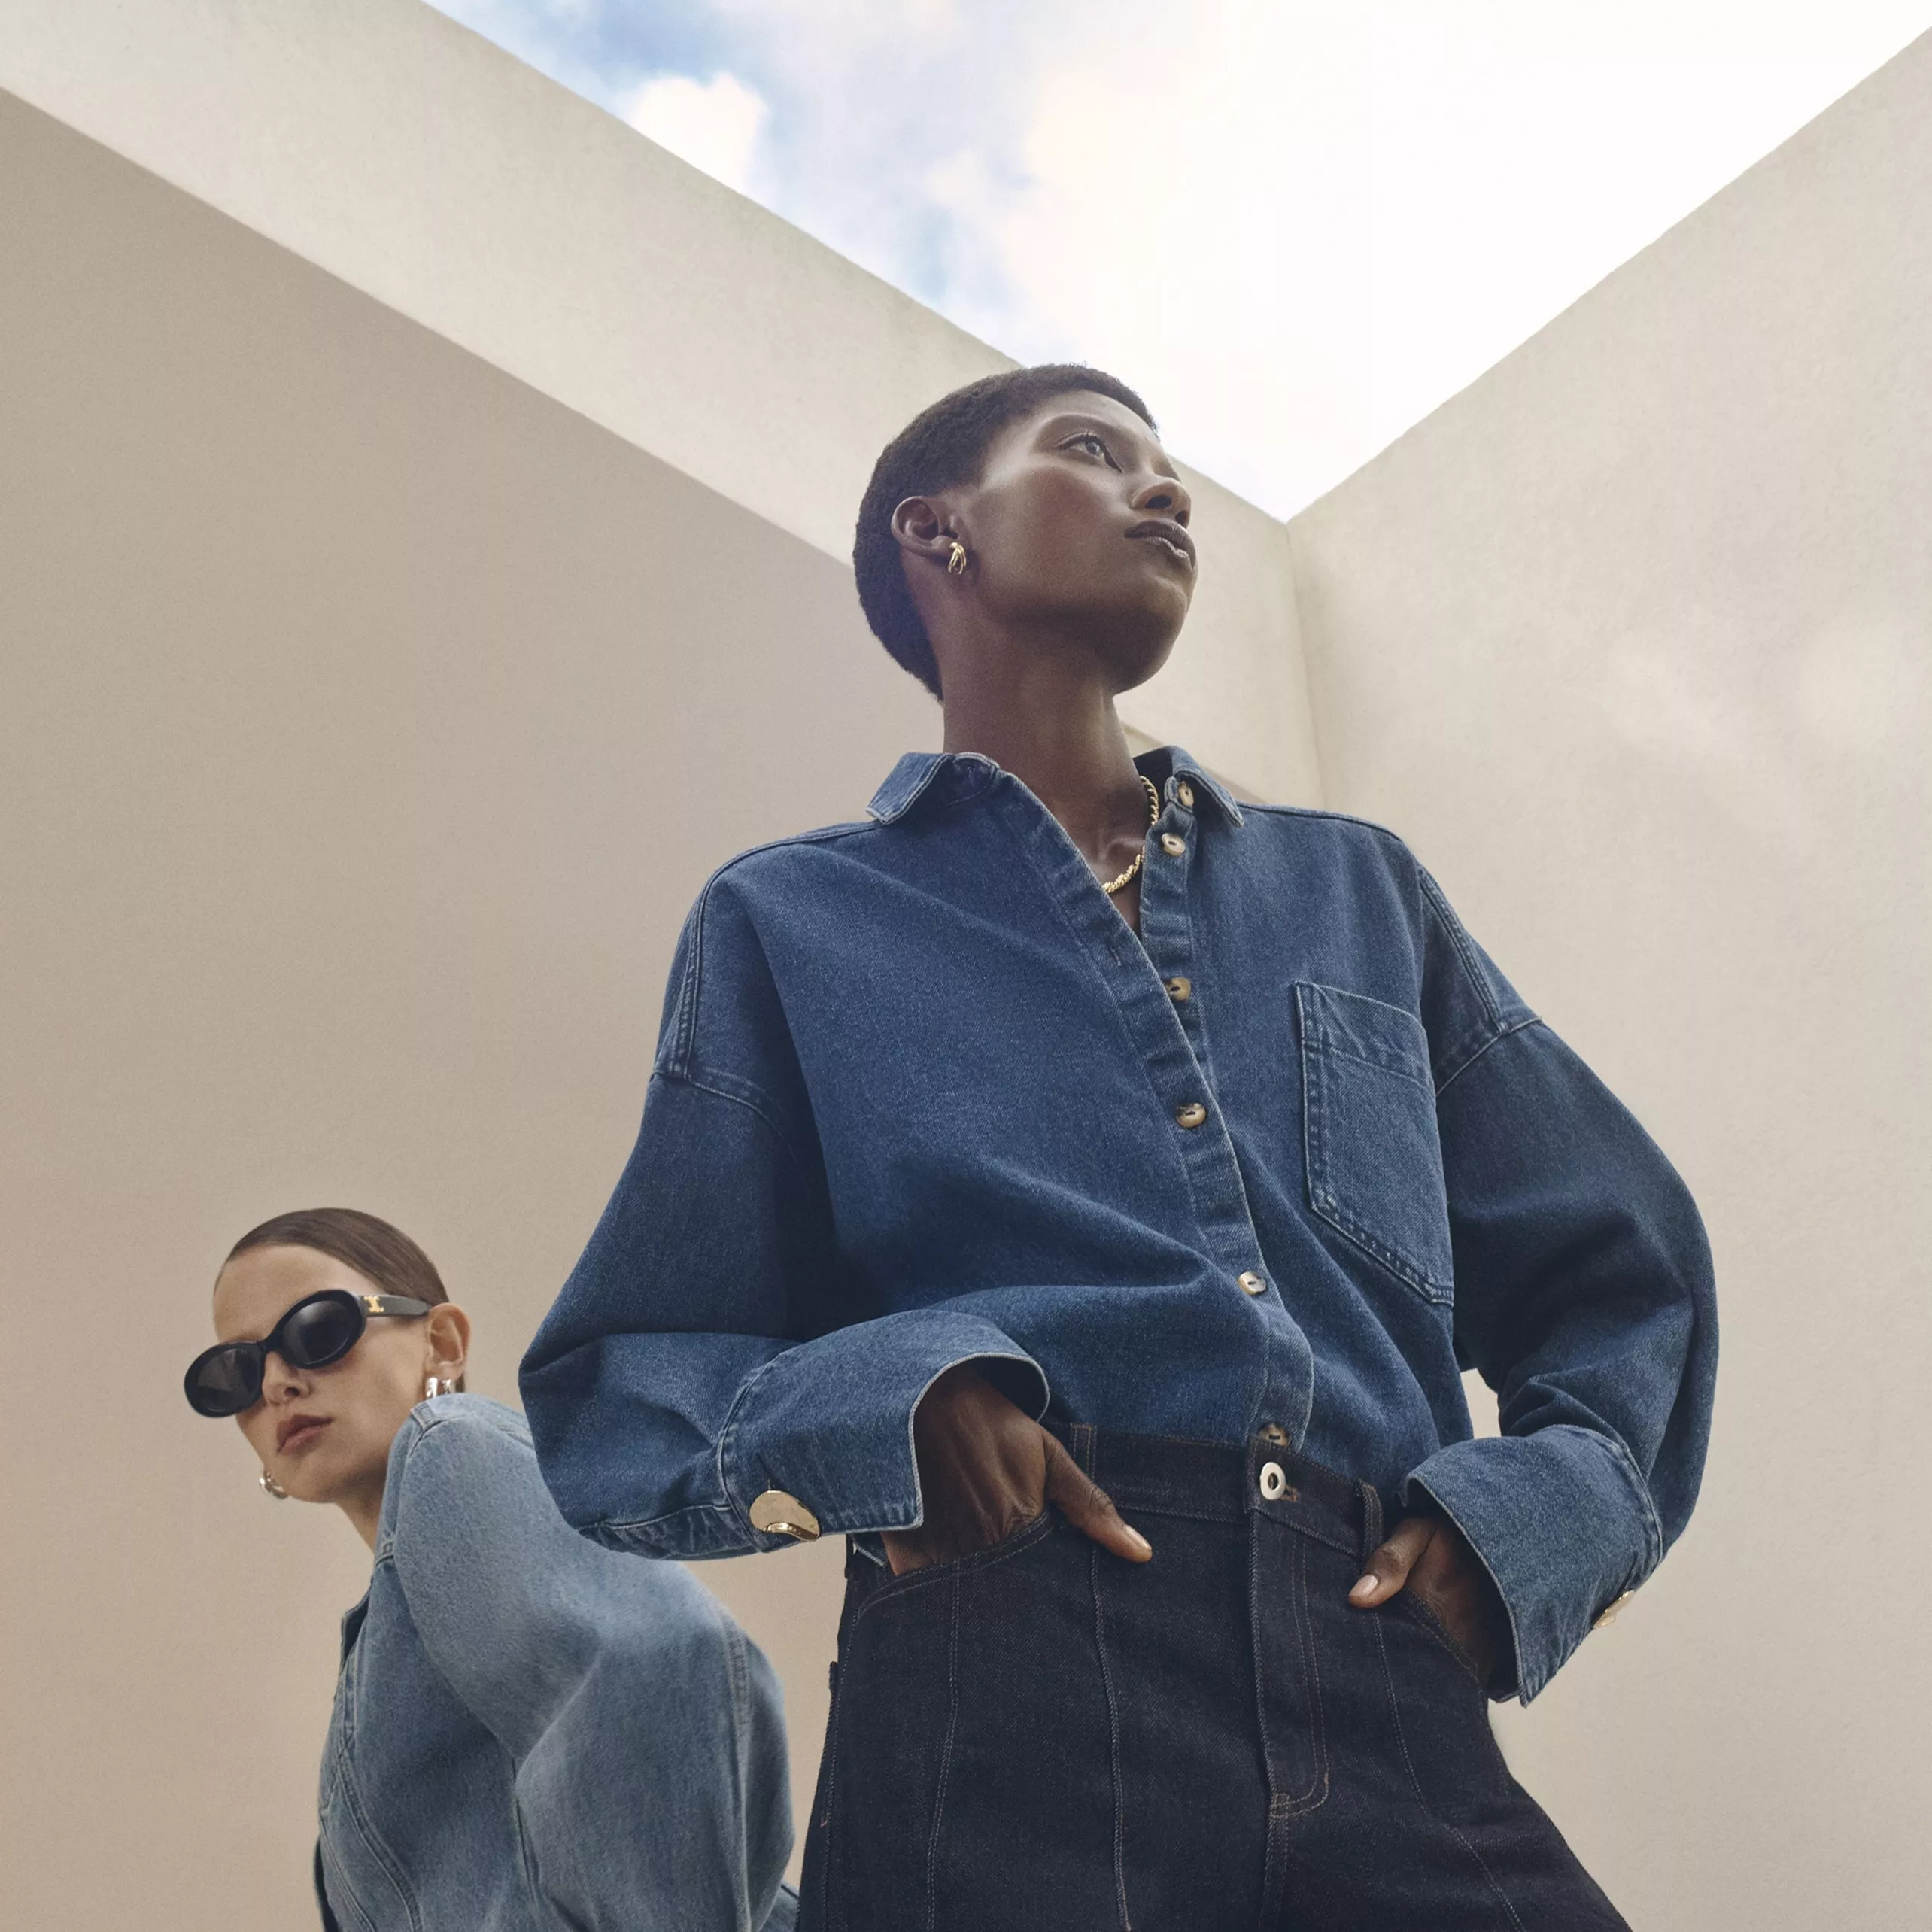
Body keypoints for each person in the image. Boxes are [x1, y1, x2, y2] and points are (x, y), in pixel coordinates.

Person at [518, 366, 1717, 1930]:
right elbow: (626, 1377)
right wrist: (896, 1402)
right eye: (1096, 454)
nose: (1167, 495)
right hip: (1006, 1666)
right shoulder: (792, 921)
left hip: (1382, 1659)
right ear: (936, 536)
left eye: (1174, 472)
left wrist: (1526, 1530)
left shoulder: (1357, 894)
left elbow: (1625, 1275)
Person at [186, 1206, 797, 1932]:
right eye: (237, 1373)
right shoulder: (395, 1631)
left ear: (440, 1344)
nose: (277, 1384)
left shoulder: (449, 1444)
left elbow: (655, 1662)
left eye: (318, 1331)